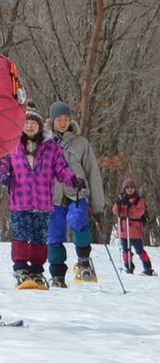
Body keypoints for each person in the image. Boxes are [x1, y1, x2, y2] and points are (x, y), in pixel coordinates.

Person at [0, 109, 77, 290]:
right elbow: (1, 166)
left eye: (33, 122)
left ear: (39, 126)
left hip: (43, 201)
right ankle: (21, 268)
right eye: (26, 122)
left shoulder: (51, 146)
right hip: (20, 201)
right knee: (21, 236)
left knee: (40, 238)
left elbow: (62, 167)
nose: (29, 126)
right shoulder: (12, 145)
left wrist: (73, 179)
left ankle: (37, 270)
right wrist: (3, 176)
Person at [45, 101, 103, 285]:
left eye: (66, 119)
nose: (63, 122)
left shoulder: (80, 142)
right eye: (59, 119)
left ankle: (84, 261)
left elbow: (92, 171)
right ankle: (57, 273)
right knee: (54, 234)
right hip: (52, 196)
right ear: (52, 120)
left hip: (77, 192)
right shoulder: (44, 142)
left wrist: (97, 203)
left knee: (77, 220)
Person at [112, 180, 152, 276]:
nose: (130, 189)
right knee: (126, 250)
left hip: (135, 230)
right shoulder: (121, 198)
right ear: (124, 189)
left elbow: (139, 212)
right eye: (127, 187)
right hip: (123, 230)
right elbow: (115, 211)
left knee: (139, 250)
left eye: (132, 187)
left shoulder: (139, 200)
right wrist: (118, 203)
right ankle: (128, 266)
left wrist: (130, 206)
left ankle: (147, 267)